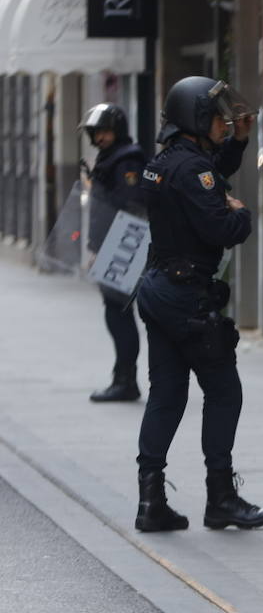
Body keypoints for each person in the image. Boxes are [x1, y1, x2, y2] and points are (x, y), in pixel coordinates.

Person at [133, 76, 263, 533]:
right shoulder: (194, 172)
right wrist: (239, 212)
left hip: (159, 286)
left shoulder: (165, 162)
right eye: (217, 117)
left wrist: (239, 141)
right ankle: (221, 498)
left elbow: (212, 170)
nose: (224, 122)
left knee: (168, 393)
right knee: (224, 391)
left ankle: (151, 500)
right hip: (185, 294)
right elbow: (223, 229)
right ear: (195, 119)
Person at [81, 103, 148, 403]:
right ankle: (122, 377)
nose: (100, 138)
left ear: (117, 131)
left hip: (122, 246)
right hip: (110, 246)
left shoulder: (127, 160)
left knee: (119, 313)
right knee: (115, 312)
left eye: (105, 132)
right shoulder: (110, 158)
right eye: (97, 133)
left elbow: (131, 204)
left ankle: (126, 380)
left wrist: (114, 249)